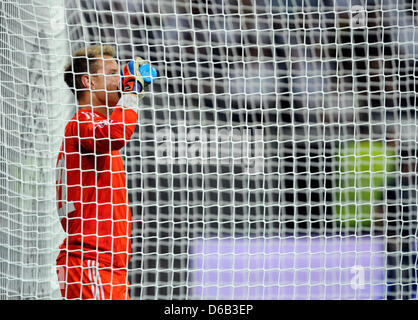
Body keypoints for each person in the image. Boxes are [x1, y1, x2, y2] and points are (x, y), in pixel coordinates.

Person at [55, 44, 155, 299]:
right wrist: (132, 91)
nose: (121, 78)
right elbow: (117, 133)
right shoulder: (83, 121)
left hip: (107, 265)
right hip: (90, 262)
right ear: (88, 81)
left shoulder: (93, 126)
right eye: (112, 72)